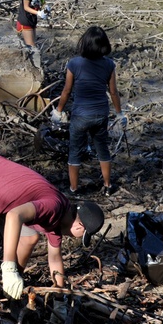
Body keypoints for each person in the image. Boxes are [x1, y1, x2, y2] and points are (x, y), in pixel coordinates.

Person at [0, 155, 104, 299]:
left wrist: (59, 295)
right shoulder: (53, 207)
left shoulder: (61, 216)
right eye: (83, 234)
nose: (76, 236)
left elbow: (55, 259)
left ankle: (10, 290)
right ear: (79, 226)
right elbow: (13, 216)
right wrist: (9, 267)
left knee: (29, 237)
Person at [53, 26, 125, 196]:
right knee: (102, 149)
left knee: (75, 151)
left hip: (80, 116)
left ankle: (74, 189)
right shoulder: (109, 64)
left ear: (84, 44)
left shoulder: (74, 63)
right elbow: (113, 92)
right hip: (101, 114)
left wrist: (58, 111)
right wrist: (119, 113)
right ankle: (107, 186)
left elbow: (67, 91)